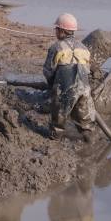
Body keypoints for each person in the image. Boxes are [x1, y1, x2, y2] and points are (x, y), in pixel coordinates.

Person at [43, 13, 96, 141]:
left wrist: (51, 87)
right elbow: (87, 69)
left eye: (56, 29)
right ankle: (88, 140)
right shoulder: (84, 48)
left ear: (61, 31)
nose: (55, 31)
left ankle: (55, 138)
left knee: (59, 120)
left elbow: (48, 71)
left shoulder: (56, 47)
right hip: (84, 88)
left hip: (65, 89)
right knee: (85, 121)